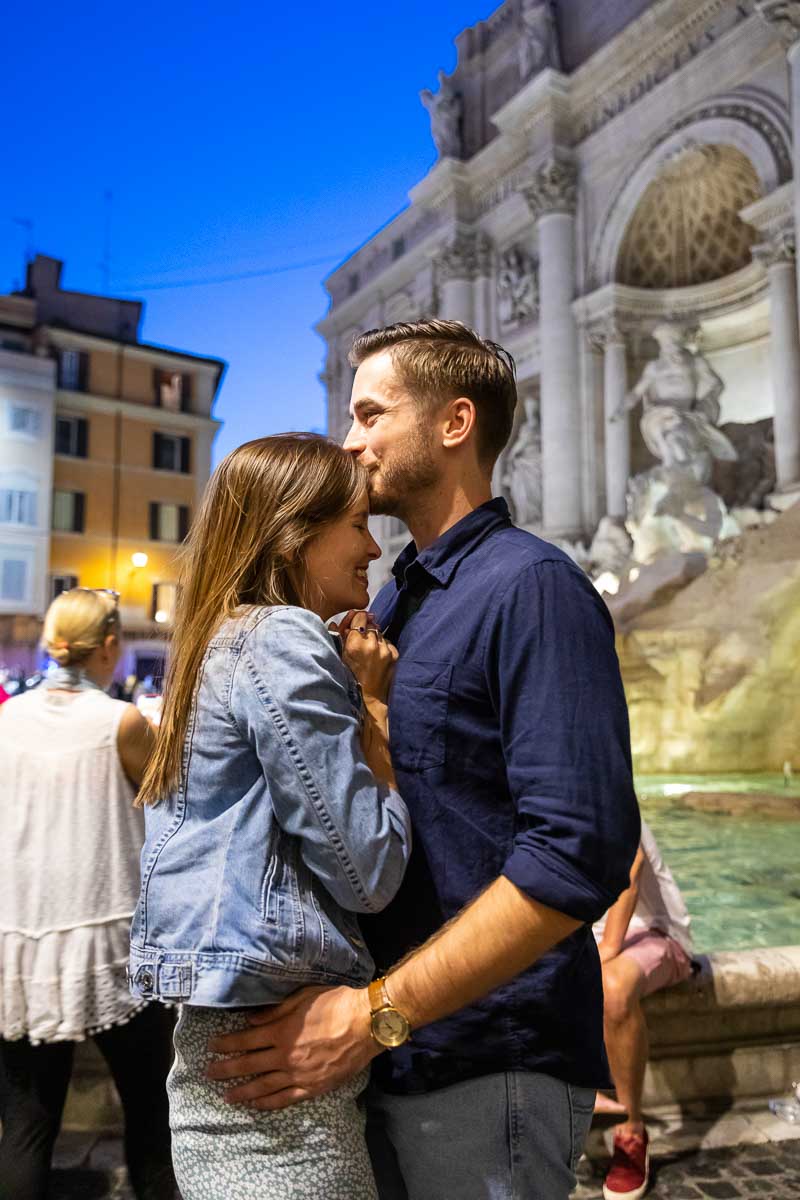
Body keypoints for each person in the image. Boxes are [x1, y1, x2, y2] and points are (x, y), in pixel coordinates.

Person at [207, 320, 641, 1200]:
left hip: (484, 1062)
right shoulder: (393, 598)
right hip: (391, 1053)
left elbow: (576, 855)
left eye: (370, 414)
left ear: (454, 424)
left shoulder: (533, 588)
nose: (350, 440)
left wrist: (374, 1015)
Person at [128, 434, 412, 1200]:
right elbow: (369, 869)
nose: (373, 546)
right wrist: (377, 710)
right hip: (281, 1078)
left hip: (223, 1045)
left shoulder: (213, 641)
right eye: (355, 523)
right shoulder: (280, 636)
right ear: (295, 532)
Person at [0, 587, 176, 1200]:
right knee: (153, 1120)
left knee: (26, 1128)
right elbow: (170, 798)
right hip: (112, 946)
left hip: (23, 949)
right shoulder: (119, 723)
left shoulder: (5, 719)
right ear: (108, 646)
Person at [595, 819, 694, 1200]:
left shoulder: (602, 778)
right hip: (586, 933)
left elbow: (629, 867)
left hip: (655, 930)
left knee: (613, 987)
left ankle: (631, 1131)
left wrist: (606, 948)